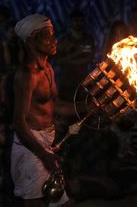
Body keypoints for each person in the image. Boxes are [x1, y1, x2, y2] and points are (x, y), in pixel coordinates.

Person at [11, 14, 80, 207]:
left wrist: (85, 108)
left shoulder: (48, 69)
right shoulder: (27, 74)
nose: (54, 40)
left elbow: (55, 104)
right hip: (30, 148)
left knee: (61, 203)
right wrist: (43, 155)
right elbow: (18, 121)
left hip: (45, 146)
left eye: (53, 34)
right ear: (32, 40)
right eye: (47, 36)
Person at [55, 9, 95, 102]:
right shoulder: (64, 41)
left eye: (81, 20)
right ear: (71, 22)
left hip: (83, 81)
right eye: (76, 20)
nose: (79, 23)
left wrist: (68, 60)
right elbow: (58, 61)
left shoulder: (88, 39)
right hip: (67, 83)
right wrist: (77, 52)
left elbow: (89, 58)